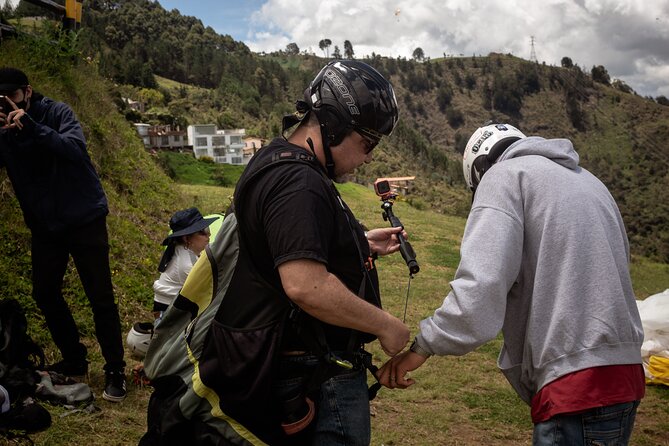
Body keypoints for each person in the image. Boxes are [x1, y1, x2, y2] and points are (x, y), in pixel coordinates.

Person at [378, 123, 645, 445]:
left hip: (575, 379)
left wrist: (422, 348)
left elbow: (482, 286)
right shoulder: (589, 182)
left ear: (480, 170)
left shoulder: (505, 177)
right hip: (625, 370)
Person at [219, 60, 410, 445]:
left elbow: (284, 244)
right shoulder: (299, 182)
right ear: (336, 125)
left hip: (304, 363)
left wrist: (357, 243)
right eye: (368, 143)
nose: (369, 156)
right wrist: (386, 326)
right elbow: (306, 286)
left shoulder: (277, 159)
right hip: (318, 371)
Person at [0, 67, 127, 402]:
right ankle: (75, 357)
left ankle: (115, 369)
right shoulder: (3, 129)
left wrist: (28, 126)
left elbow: (73, 150)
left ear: (26, 92)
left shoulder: (56, 112)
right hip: (46, 225)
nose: (7, 104)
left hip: (84, 217)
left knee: (100, 296)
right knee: (44, 292)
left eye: (11, 96)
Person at [153, 207, 218, 323]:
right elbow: (207, 290)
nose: (209, 235)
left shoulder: (183, 250)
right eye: (203, 232)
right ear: (187, 238)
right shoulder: (185, 262)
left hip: (172, 307)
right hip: (169, 315)